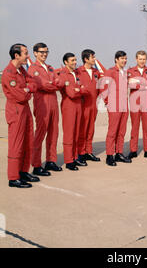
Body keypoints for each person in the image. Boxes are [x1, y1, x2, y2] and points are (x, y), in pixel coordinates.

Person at [2, 44, 38, 188]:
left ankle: (23, 171)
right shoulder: (8, 73)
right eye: (25, 53)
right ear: (16, 55)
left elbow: (33, 84)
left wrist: (27, 88)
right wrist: (27, 90)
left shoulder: (22, 70)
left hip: (25, 110)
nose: (28, 56)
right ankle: (13, 177)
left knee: (28, 142)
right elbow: (20, 96)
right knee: (16, 144)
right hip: (16, 111)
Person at [28, 43, 62, 177]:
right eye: (41, 52)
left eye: (46, 52)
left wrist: (51, 84)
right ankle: (36, 165)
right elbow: (41, 85)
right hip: (42, 103)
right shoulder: (32, 68)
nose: (44, 54)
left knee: (54, 132)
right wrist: (52, 84)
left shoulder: (50, 68)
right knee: (40, 134)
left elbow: (58, 83)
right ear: (35, 53)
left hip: (53, 102)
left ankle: (51, 160)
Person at [56, 53, 89, 171]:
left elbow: (85, 89)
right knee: (69, 133)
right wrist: (79, 90)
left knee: (76, 132)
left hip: (78, 105)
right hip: (69, 105)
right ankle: (69, 160)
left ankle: (74, 157)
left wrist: (78, 89)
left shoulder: (76, 74)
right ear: (66, 62)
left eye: (75, 60)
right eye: (72, 60)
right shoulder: (64, 74)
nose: (75, 62)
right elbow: (71, 93)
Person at [102, 51, 132, 166]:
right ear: (116, 59)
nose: (124, 60)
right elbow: (104, 87)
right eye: (122, 58)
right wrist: (107, 102)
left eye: (126, 58)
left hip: (124, 105)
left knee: (122, 131)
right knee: (113, 131)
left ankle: (119, 153)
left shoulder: (124, 73)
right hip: (114, 105)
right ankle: (110, 155)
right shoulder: (110, 72)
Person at [77, 49, 103, 164]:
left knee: (91, 129)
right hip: (83, 105)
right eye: (92, 57)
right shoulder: (78, 72)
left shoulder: (96, 72)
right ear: (86, 59)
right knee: (82, 129)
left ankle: (88, 151)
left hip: (94, 104)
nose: (94, 59)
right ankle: (81, 152)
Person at [127, 51, 147, 160]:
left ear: (146, 59)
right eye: (140, 59)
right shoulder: (130, 71)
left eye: (144, 59)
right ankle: (133, 150)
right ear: (136, 59)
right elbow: (130, 84)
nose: (142, 61)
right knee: (135, 127)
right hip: (135, 102)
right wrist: (144, 85)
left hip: (146, 102)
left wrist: (138, 83)